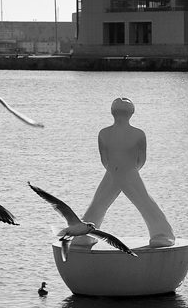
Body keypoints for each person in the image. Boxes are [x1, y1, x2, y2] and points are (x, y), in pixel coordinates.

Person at [72, 97, 175, 248]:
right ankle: (162, 233)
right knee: (145, 203)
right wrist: (130, 173)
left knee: (99, 203)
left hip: (114, 172)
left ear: (112, 112)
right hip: (128, 173)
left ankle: (85, 234)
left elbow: (104, 159)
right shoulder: (138, 134)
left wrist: (116, 172)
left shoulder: (104, 133)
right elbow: (141, 159)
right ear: (131, 113)